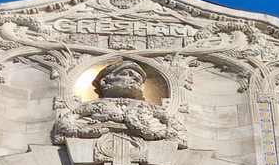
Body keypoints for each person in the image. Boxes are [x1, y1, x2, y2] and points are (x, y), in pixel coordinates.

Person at [53, 61, 187, 148]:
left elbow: (175, 129)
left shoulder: (150, 110)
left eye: (138, 78)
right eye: (127, 74)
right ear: (105, 82)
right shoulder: (91, 107)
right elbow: (67, 123)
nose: (135, 78)